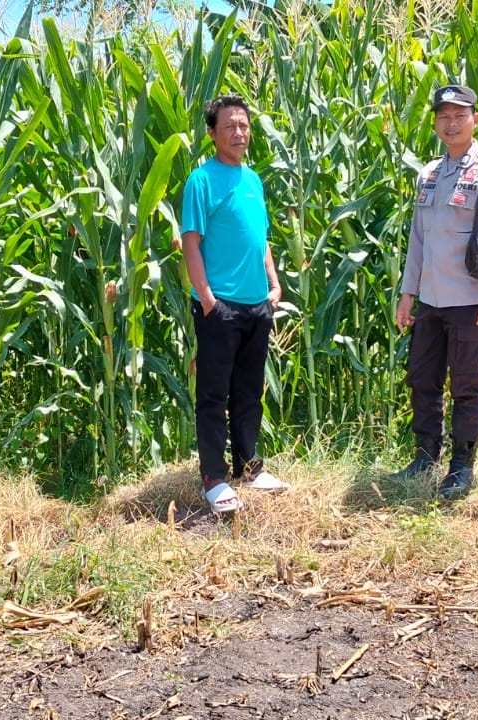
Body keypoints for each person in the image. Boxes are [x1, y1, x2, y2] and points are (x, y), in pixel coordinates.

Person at [393, 84, 478, 501]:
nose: (451, 124)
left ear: (475, 120)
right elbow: (418, 239)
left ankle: (462, 466)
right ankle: (425, 456)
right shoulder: (429, 173)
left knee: (467, 385)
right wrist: (408, 294)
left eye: (459, 116)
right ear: (435, 123)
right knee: (422, 380)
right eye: (444, 117)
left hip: (471, 300)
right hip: (431, 299)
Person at [180, 94, 290, 515]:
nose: (238, 132)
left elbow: (261, 237)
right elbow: (191, 242)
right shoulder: (201, 181)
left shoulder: (253, 180)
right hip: (220, 306)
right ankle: (214, 478)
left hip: (256, 304)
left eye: (243, 125)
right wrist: (208, 299)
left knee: (248, 391)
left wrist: (274, 284)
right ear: (212, 133)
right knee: (213, 394)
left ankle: (249, 467)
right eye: (229, 126)